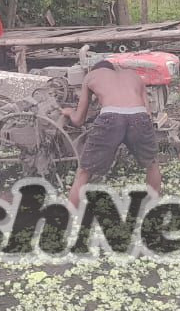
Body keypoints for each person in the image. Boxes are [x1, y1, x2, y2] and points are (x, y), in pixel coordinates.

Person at [61, 61, 161, 209]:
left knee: (84, 172)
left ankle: (68, 214)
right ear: (112, 69)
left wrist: (69, 112)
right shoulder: (134, 76)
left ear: (95, 69)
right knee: (152, 164)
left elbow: (79, 120)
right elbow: (148, 113)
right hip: (139, 116)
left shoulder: (91, 76)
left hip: (110, 117)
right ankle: (154, 207)